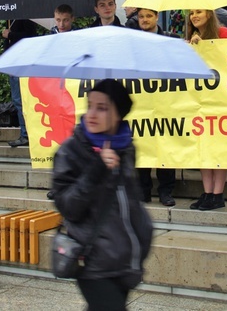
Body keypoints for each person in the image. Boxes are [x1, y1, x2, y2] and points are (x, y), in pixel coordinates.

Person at [52, 79, 153, 310]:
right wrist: (97, 169)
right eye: (90, 105)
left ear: (119, 114)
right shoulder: (71, 151)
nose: (92, 114)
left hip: (124, 260)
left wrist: (143, 234)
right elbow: (68, 206)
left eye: (102, 107)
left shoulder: (126, 147)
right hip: (92, 262)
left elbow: (130, 200)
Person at [186, 8, 227, 211]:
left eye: (199, 12)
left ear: (209, 15)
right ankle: (207, 192)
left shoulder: (223, 33)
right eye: (191, 13)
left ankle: (218, 194)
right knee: (203, 148)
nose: (194, 16)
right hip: (200, 101)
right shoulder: (191, 37)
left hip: (221, 99)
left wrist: (208, 48)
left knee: (219, 148)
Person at [135, 8, 178, 206]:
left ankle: (166, 191)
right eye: (141, 17)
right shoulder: (132, 42)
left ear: (156, 17)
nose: (144, 20)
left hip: (165, 102)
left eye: (148, 16)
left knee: (165, 148)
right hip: (140, 103)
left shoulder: (171, 39)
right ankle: (143, 191)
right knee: (141, 147)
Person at [1, 20, 36, 147]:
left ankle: (26, 134)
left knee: (22, 101)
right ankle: (25, 133)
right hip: (13, 63)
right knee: (18, 101)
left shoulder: (26, 17)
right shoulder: (11, 18)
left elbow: (30, 36)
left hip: (23, 64)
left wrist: (9, 35)